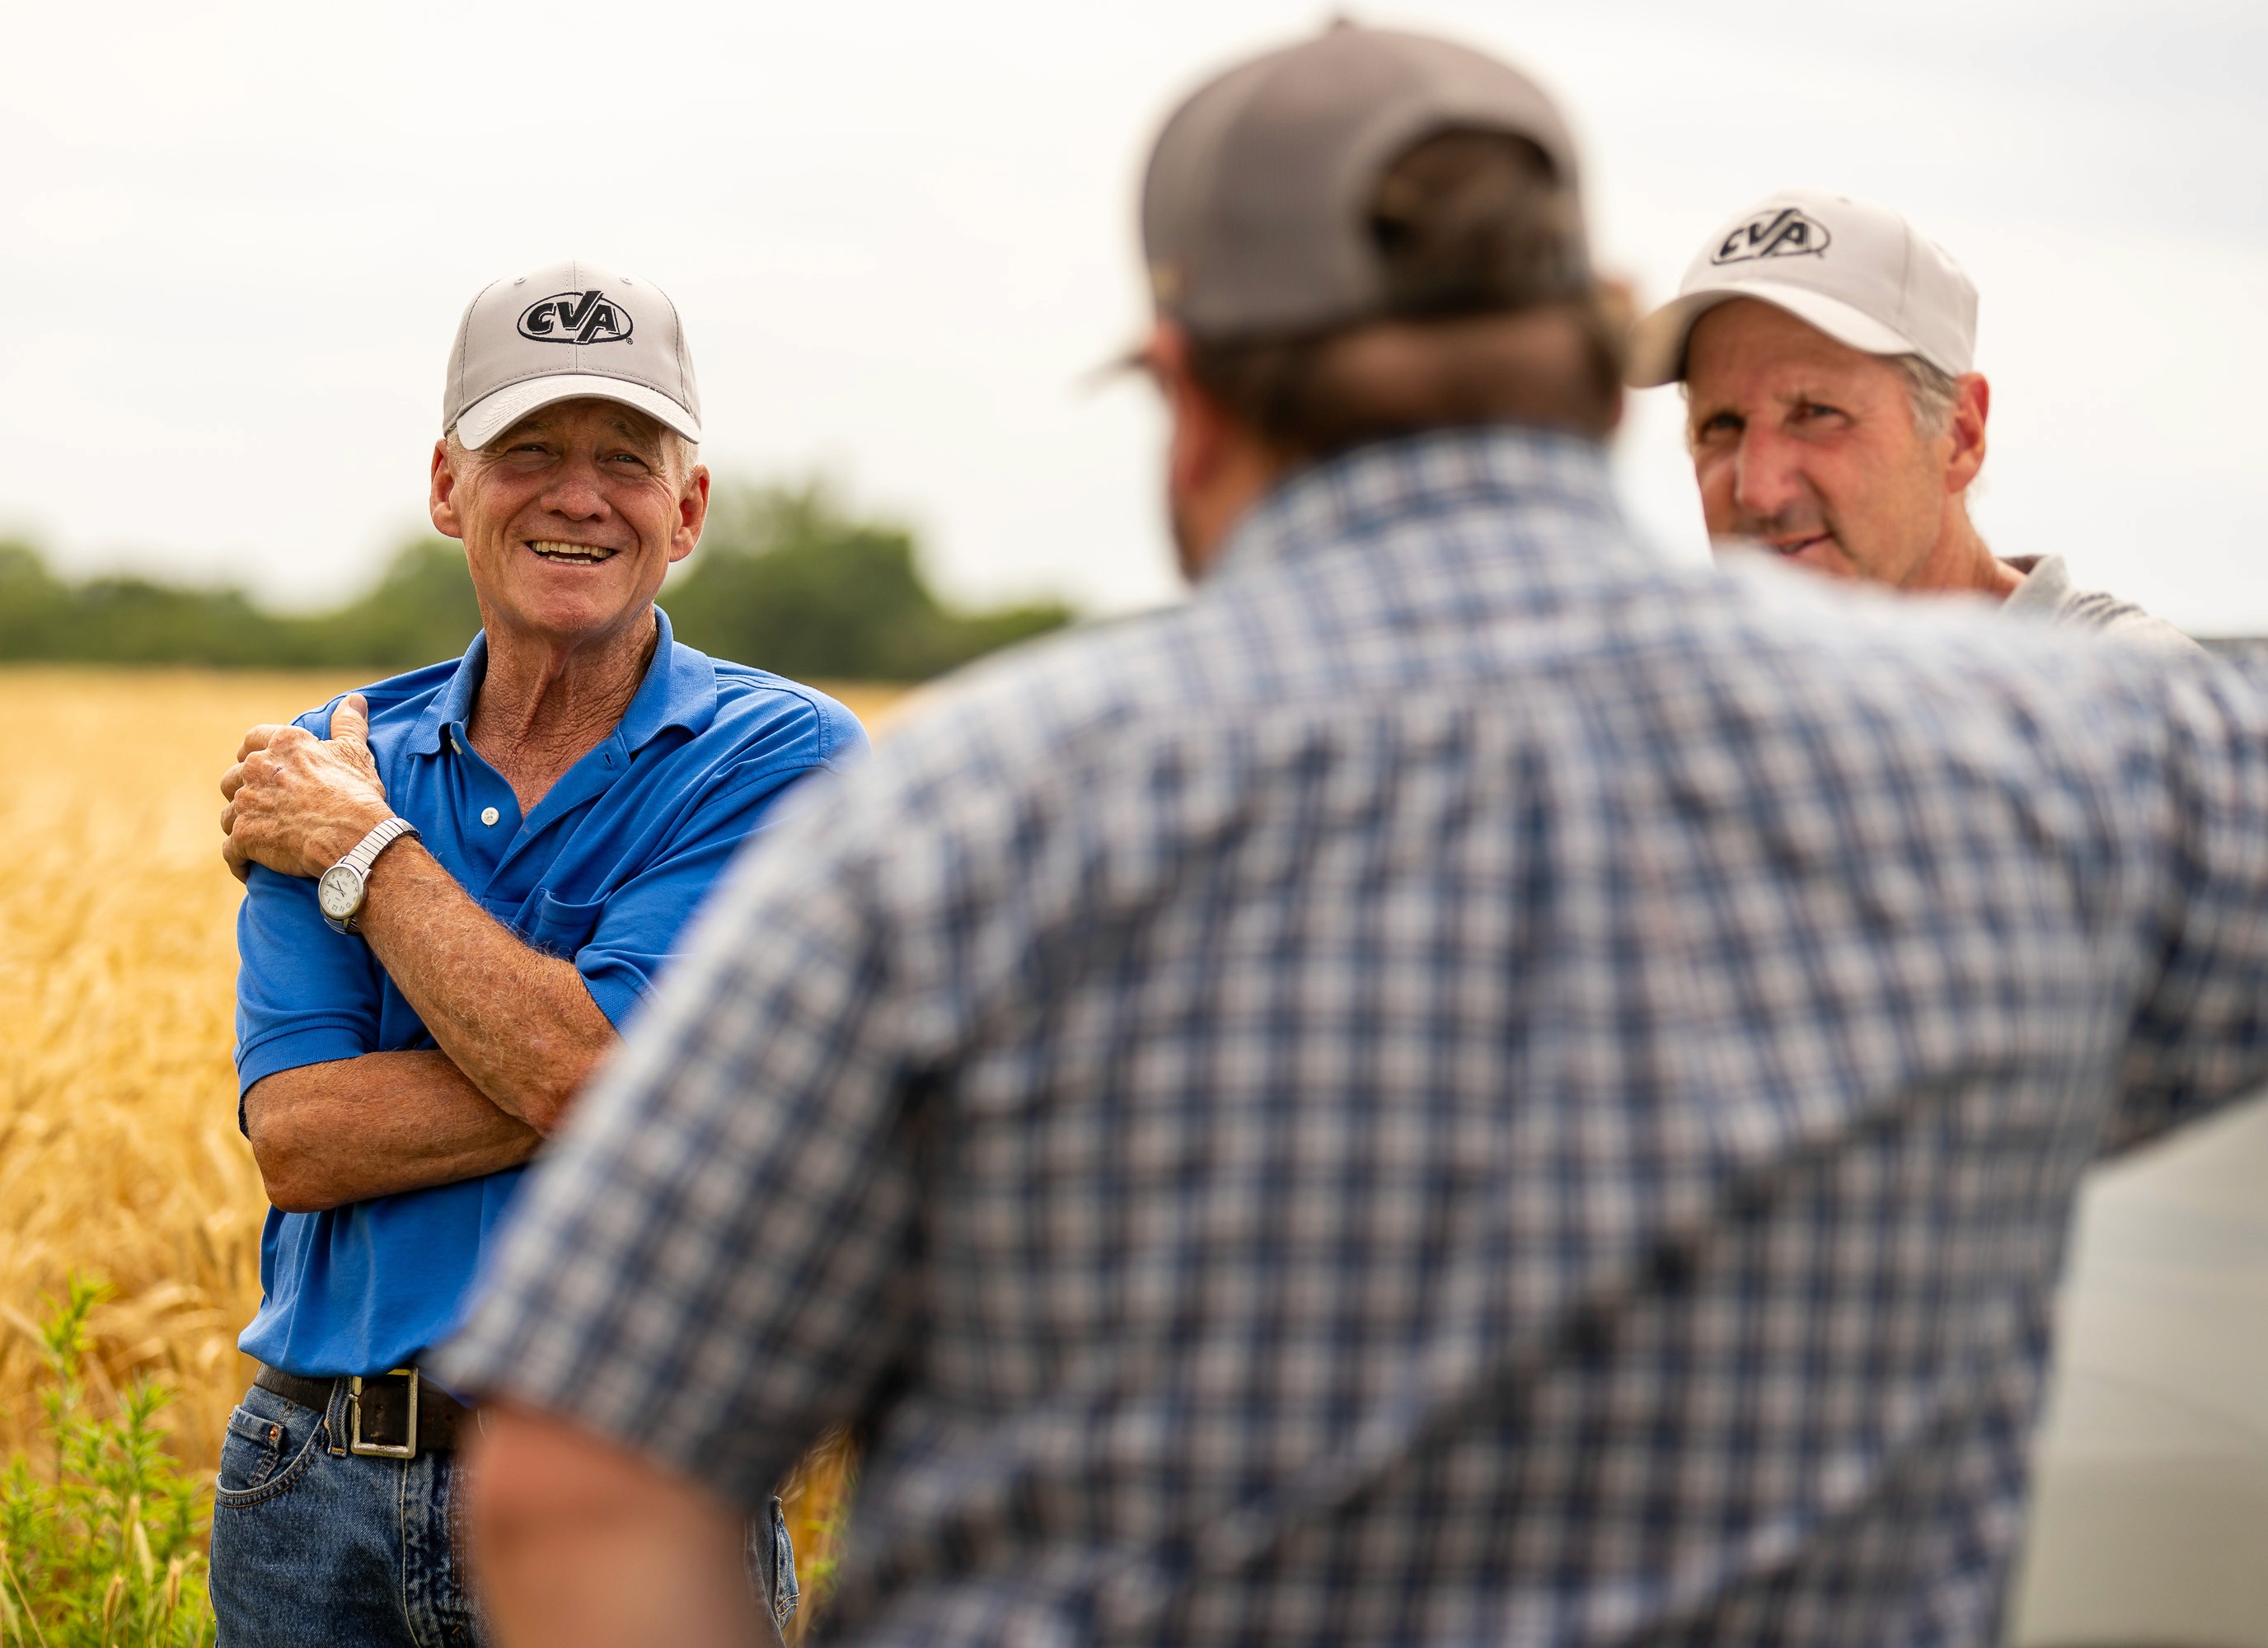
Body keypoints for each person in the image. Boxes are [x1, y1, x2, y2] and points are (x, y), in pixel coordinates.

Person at [436, 27, 2268, 1648]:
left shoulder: (951, 826)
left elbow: (576, 1484)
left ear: (1194, 388)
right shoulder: (2069, 759)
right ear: (1580, 354)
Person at [209, 260, 860, 1646]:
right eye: (528, 453)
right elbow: (305, 1136)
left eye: (625, 459)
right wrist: (673, 1072)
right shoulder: (333, 753)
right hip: (315, 1485)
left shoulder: (782, 758)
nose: (578, 495)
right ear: (449, 487)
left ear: (686, 510)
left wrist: (367, 861)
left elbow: (584, 1075)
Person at [1627, 188, 2198, 653]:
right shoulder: (1687, 713)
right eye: (1722, 425)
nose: (1759, 490)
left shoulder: (2147, 713)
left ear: (1960, 436)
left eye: (1817, 413)